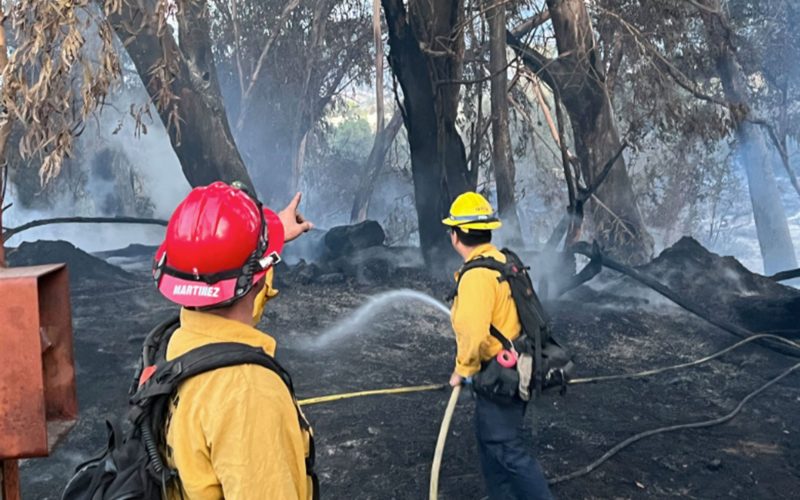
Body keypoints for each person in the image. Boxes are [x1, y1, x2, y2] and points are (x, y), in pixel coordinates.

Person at [152, 181, 316, 499]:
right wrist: (266, 249)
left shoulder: (181, 344)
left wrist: (272, 234)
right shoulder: (249, 395)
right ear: (260, 278)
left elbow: (237, 292)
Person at [443, 191, 553, 500]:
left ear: (455, 236)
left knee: (507, 450)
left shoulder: (477, 276)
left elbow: (475, 335)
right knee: (492, 448)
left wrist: (461, 371)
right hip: (516, 366)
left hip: (499, 375)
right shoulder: (503, 261)